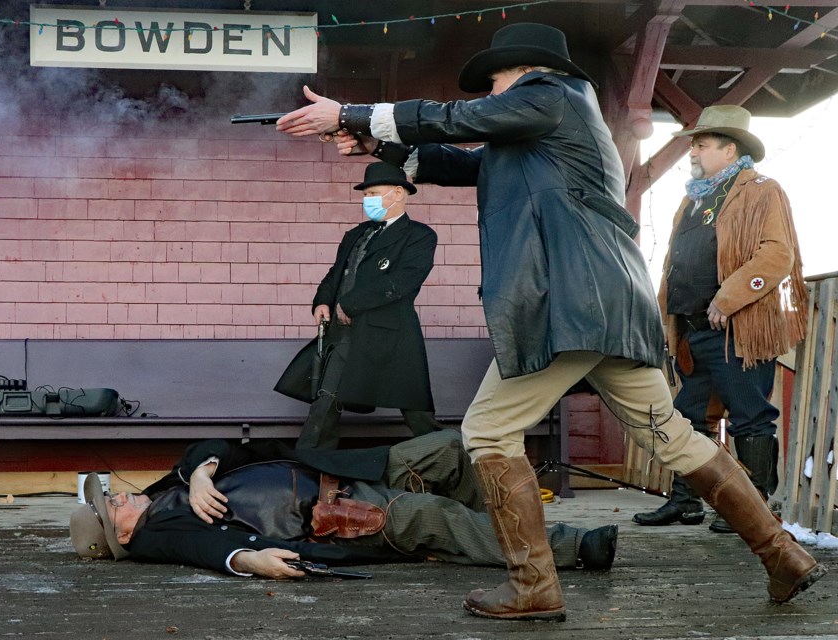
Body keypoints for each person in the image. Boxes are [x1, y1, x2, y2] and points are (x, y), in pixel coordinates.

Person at [274, 22, 825, 620]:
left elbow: (462, 122)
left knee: (486, 431)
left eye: (495, 81)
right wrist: (378, 144)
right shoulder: (542, 128)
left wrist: (352, 111)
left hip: (570, 304)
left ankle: (533, 585)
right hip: (606, 307)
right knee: (672, 434)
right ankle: (783, 556)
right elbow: (464, 162)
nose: (491, 91)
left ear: (525, 71)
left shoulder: (553, 95)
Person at [69, 429, 619, 579]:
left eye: (107, 491)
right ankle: (569, 550)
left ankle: (509, 530)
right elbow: (209, 551)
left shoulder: (170, 490)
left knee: (451, 451)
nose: (115, 493)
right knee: (433, 518)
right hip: (346, 520)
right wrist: (249, 560)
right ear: (120, 536)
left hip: (351, 474)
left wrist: (200, 473)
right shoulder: (159, 534)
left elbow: (213, 447)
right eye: (108, 505)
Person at [633, 106, 806, 532]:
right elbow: (675, 264)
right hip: (691, 331)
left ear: (730, 150)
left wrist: (728, 299)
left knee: (750, 416)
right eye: (694, 142)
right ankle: (686, 502)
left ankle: (755, 508)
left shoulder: (764, 191)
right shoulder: (693, 199)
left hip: (736, 329)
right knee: (687, 419)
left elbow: (776, 254)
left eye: (703, 143)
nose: (693, 149)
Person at [275, 162, 441, 449]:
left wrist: (350, 304)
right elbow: (336, 273)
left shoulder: (420, 236)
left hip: (392, 334)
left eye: (374, 192)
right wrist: (323, 301)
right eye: (365, 194)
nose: (367, 200)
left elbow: (403, 282)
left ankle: (454, 463)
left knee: (417, 414)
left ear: (398, 193)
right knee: (325, 400)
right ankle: (311, 470)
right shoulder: (356, 234)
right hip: (347, 333)